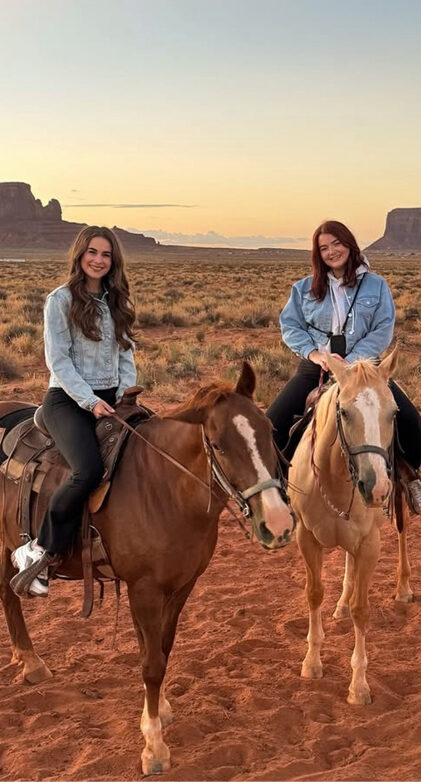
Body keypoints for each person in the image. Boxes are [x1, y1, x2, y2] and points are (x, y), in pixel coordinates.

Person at [10, 226, 137, 597]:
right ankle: (39, 549)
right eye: (92, 252)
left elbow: (125, 354)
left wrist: (126, 397)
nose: (98, 260)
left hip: (111, 399)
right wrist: (90, 401)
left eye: (106, 255)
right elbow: (59, 361)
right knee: (88, 470)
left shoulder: (118, 303)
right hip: (67, 399)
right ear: (80, 255)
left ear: (114, 262)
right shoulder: (60, 300)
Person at [267, 219, 421, 512]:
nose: (331, 252)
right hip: (318, 368)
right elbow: (290, 326)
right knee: (272, 423)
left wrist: (352, 361)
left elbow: (383, 327)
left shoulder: (376, 286)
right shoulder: (303, 289)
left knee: (410, 421)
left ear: (349, 244)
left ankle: (411, 477)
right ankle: (280, 487)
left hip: (365, 370)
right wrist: (316, 355)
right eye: (323, 248)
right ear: (318, 254)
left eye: (336, 243)